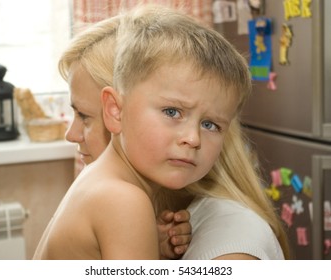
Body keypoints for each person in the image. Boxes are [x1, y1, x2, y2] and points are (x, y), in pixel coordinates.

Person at [35, 4, 289, 260]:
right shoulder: (124, 201)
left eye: (210, 124)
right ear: (114, 110)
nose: (193, 138)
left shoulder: (100, 181)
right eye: (171, 112)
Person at [33, 13, 191, 260]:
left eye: (84, 116)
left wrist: (151, 247)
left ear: (117, 112)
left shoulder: (97, 183)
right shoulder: (122, 199)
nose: (70, 135)